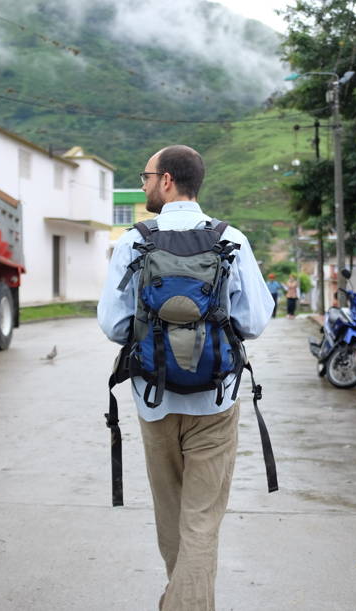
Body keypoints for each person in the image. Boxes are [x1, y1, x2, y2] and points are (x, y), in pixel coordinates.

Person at [98, 145, 272, 611]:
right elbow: (253, 320)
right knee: (201, 521)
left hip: (154, 399)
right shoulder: (229, 237)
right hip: (215, 402)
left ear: (168, 179)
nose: (144, 184)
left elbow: (114, 326)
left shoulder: (134, 241)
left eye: (148, 176)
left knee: (173, 519)